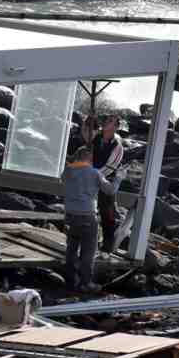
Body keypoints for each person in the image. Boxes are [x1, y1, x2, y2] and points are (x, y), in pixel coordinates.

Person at [62, 146, 126, 293]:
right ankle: (86, 283)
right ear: (90, 159)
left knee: (71, 248)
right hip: (87, 216)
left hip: (70, 216)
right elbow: (110, 190)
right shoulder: (95, 173)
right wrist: (119, 178)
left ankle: (71, 280)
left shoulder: (67, 171)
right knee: (88, 252)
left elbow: (66, 179)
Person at [80, 114, 124, 252]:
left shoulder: (118, 147)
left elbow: (110, 167)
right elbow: (86, 134)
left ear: (116, 127)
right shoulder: (96, 137)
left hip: (106, 179)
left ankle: (107, 246)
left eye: (110, 121)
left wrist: (94, 177)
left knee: (107, 213)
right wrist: (87, 120)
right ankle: (85, 242)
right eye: (106, 120)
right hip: (92, 176)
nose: (106, 122)